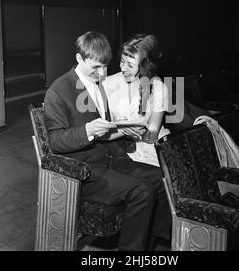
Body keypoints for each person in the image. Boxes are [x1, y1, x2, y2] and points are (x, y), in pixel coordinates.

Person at [44, 31, 171, 250]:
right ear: (79, 59)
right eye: (97, 67)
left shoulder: (97, 84)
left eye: (106, 66)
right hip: (85, 171)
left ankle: (149, 243)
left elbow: (106, 133)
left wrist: (123, 129)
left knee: (162, 178)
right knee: (143, 191)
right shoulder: (58, 90)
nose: (103, 72)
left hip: (110, 157)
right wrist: (88, 130)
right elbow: (55, 141)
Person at [102, 34, 170, 168]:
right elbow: (100, 132)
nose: (123, 68)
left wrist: (141, 131)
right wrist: (123, 129)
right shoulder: (107, 84)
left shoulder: (158, 88)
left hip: (152, 149)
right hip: (118, 149)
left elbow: (152, 135)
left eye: (130, 65)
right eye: (122, 61)